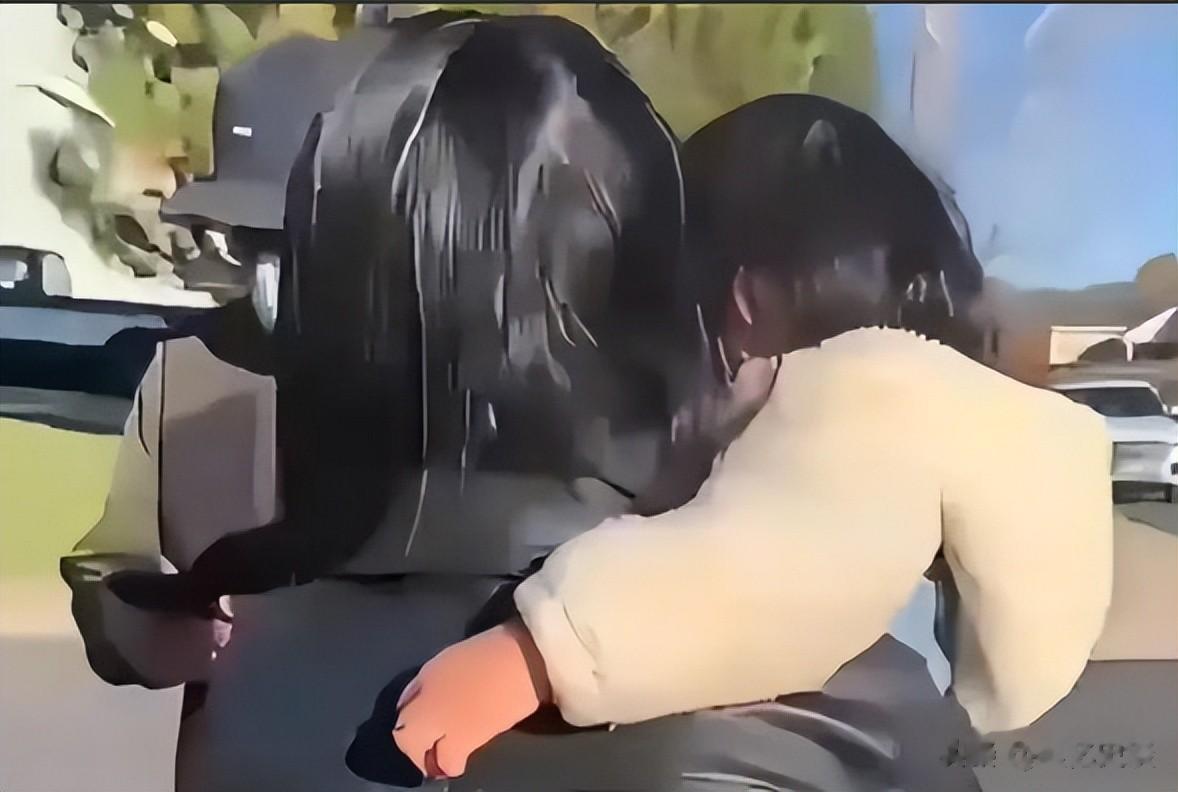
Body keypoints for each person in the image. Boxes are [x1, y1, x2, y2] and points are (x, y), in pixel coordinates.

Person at [387, 94, 1115, 784]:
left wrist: (531, 657)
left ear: (746, 308)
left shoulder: (853, 418)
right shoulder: (956, 427)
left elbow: (746, 573)